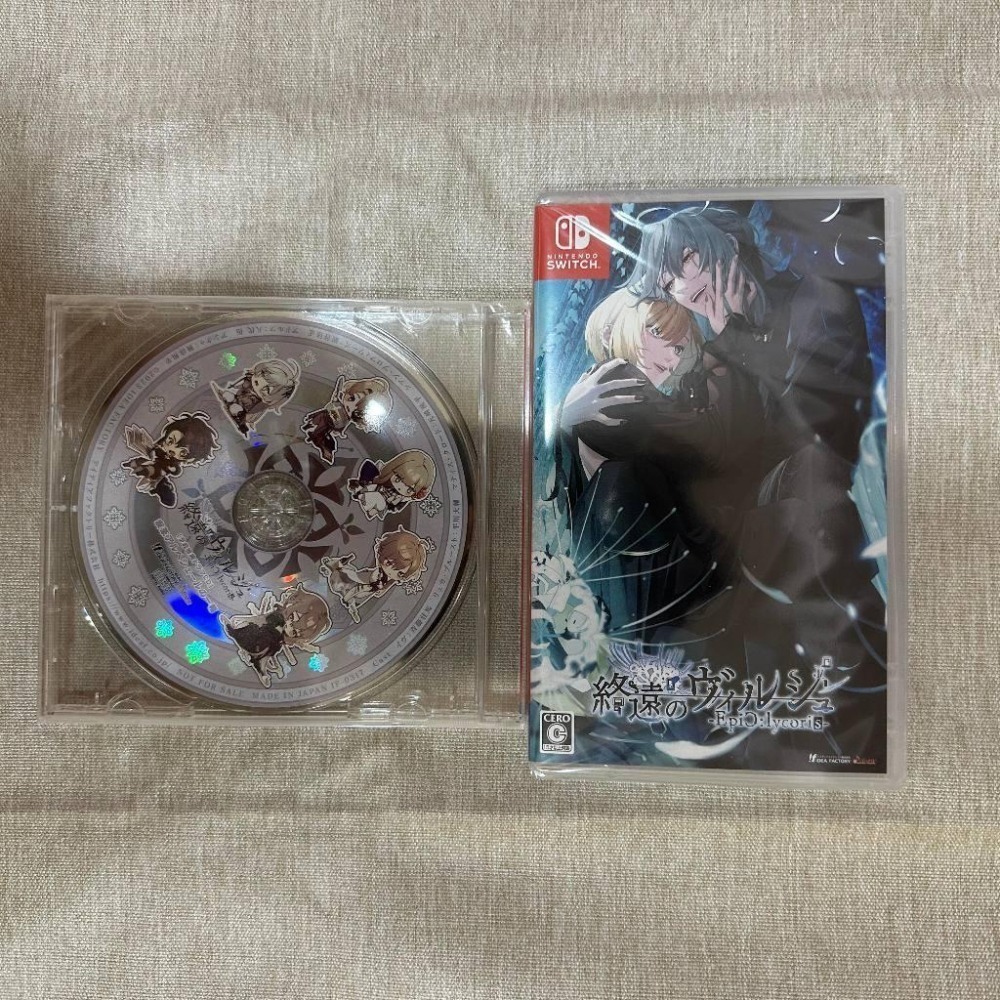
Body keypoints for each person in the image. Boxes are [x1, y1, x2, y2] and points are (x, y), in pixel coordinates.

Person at [554, 289, 765, 650]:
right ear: (611, 331)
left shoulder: (596, 388)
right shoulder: (618, 382)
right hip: (648, 585)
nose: (670, 357)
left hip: (627, 587)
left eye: (679, 348)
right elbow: (710, 444)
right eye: (655, 331)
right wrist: (728, 342)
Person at [222, 584, 332, 688]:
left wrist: (308, 647)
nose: (290, 626)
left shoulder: (278, 642)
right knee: (247, 638)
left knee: (262, 656)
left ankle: (262, 672)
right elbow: (260, 619)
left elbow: (269, 651)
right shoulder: (276, 617)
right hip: (254, 635)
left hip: (262, 644)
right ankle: (232, 630)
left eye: (295, 632)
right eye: (292, 618)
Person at [319, 526, 431, 624]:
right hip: (360, 582)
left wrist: (379, 588)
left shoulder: (389, 580)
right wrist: (373, 586)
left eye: (400, 573)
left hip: (363, 589)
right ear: (382, 552)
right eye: (389, 562)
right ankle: (334, 567)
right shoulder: (378, 576)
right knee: (344, 580)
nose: (391, 571)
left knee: (349, 591)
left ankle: (336, 570)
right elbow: (363, 585)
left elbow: (379, 588)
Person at [121, 411, 220, 508]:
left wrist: (167, 468)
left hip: (159, 472)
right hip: (152, 464)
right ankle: (132, 465)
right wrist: (150, 450)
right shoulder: (159, 450)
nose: (172, 449)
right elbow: (153, 451)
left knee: (158, 482)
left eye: (182, 452)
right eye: (170, 442)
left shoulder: (173, 464)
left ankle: (161, 489)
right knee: (141, 463)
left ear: (190, 459)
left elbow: (175, 470)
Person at [301, 375, 393, 464]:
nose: (351, 407)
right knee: (317, 431)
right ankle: (313, 435)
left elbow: (342, 425)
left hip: (330, 427)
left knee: (330, 443)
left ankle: (326, 451)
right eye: (352, 398)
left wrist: (340, 432)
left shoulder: (347, 419)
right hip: (323, 419)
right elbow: (329, 406)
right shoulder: (337, 403)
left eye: (358, 412)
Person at [212, 358, 301, 437]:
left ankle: (238, 413)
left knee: (237, 408)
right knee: (229, 396)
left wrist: (245, 419)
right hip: (237, 398)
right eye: (256, 382)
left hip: (244, 410)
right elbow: (239, 387)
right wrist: (233, 389)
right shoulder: (248, 383)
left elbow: (255, 412)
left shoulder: (261, 403)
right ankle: (231, 401)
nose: (257, 388)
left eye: (266, 390)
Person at [347, 449, 436, 520]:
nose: (401, 487)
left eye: (409, 489)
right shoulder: (376, 479)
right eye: (398, 479)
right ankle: (361, 496)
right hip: (364, 496)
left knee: (379, 503)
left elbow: (393, 509)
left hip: (374, 509)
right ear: (392, 469)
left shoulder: (401, 499)